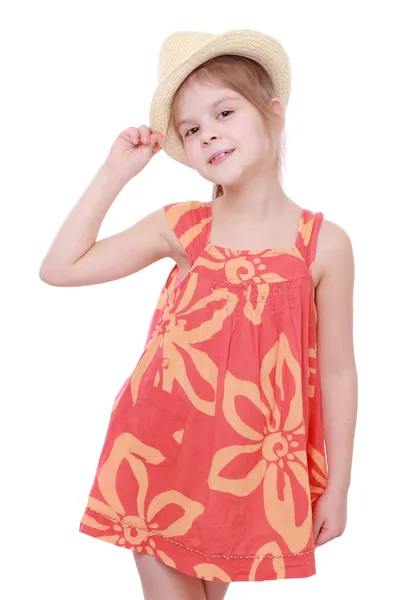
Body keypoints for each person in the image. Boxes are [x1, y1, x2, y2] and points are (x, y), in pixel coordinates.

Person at [39, 29, 358, 600]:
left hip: (243, 471)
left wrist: (337, 486)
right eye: (190, 129)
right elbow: (61, 268)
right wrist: (115, 173)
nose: (208, 132)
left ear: (274, 114)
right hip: (159, 453)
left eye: (224, 111)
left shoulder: (323, 245)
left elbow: (337, 372)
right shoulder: (185, 227)